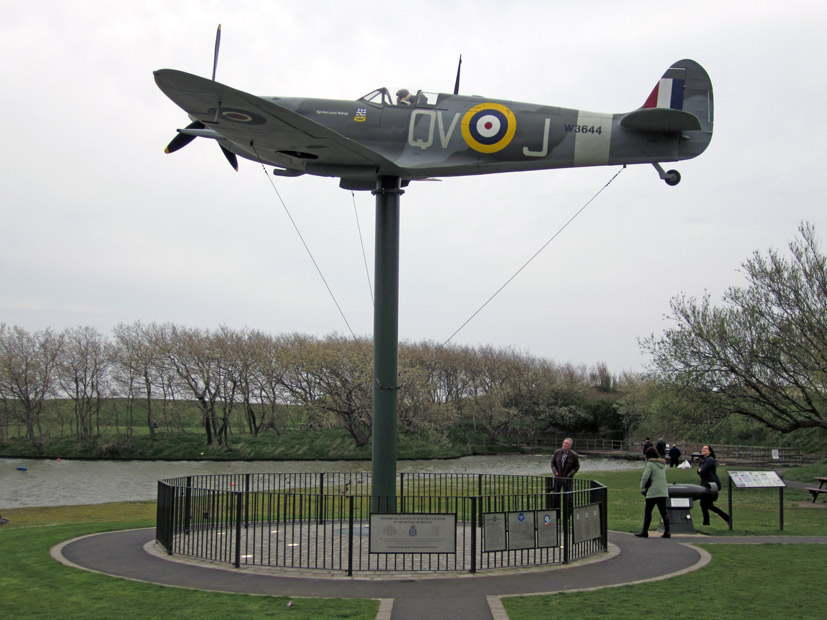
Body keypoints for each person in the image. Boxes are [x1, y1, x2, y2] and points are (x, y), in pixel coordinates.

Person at [634, 447, 670, 538]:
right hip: (662, 491)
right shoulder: (662, 465)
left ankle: (645, 531)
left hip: (653, 491)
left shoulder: (650, 464)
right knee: (664, 512)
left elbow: (645, 476)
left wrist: (642, 486)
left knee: (648, 512)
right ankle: (667, 532)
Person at [697, 445, 730, 525]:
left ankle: (726, 518)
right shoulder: (704, 460)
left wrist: (700, 470)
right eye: (703, 448)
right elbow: (699, 471)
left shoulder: (710, 460)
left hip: (711, 485)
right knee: (706, 504)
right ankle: (708, 522)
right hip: (706, 484)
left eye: (706, 448)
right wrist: (699, 470)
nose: (704, 449)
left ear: (710, 451)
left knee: (705, 504)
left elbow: (702, 471)